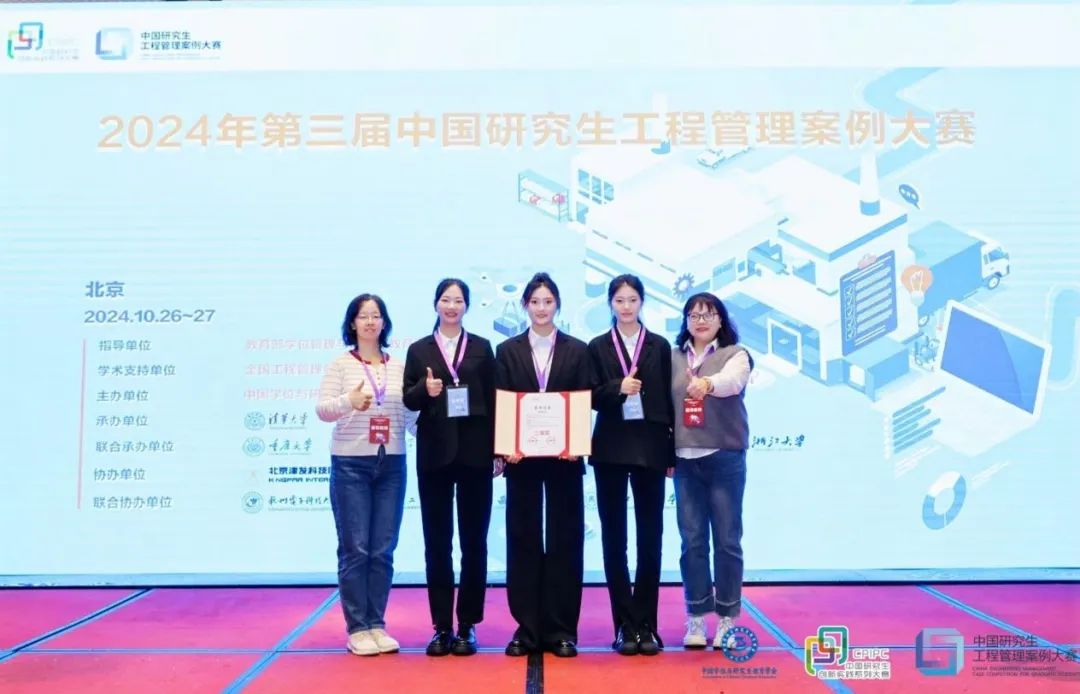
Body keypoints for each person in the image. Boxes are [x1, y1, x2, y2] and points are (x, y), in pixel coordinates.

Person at [495, 272, 592, 658]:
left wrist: (576, 443)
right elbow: (503, 399)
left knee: (566, 539)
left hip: (565, 460)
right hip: (522, 461)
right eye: (534, 301)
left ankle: (563, 629)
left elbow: (582, 398)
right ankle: (527, 628)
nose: (541, 308)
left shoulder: (577, 350)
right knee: (523, 539)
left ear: (558, 305)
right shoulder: (507, 350)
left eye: (547, 301)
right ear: (525, 306)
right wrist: (507, 446)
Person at [402, 278, 499, 657]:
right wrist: (423, 392)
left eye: (458, 300)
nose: (452, 306)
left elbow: (495, 400)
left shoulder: (482, 348)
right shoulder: (418, 350)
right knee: (437, 544)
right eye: (446, 299)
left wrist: (499, 451)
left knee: (474, 543)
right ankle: (441, 626)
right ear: (435, 304)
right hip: (434, 456)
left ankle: (467, 625)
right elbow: (408, 400)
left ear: (467, 306)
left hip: (476, 455)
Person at [316, 293, 410, 657]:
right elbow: (323, 410)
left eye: (376, 316)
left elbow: (410, 418)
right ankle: (357, 627)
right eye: (363, 316)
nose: (370, 322)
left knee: (383, 549)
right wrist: (348, 402)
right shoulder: (341, 365)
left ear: (384, 323)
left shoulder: (398, 366)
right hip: (351, 464)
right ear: (352, 323)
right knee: (356, 549)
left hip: (392, 464)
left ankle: (377, 624)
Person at [587, 274, 674, 656]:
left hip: (651, 447)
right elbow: (589, 396)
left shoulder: (659, 345)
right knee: (614, 538)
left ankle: (647, 624)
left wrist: (670, 453)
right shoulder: (596, 346)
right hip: (610, 446)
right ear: (610, 303)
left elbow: (669, 401)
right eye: (619, 300)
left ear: (642, 302)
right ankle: (623, 623)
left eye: (632, 300)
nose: (626, 306)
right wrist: (616, 389)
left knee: (650, 537)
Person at [670, 292, 753, 651]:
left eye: (708, 314)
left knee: (727, 540)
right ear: (686, 321)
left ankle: (727, 618)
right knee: (692, 542)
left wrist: (706, 384)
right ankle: (696, 616)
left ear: (721, 320)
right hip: (685, 459)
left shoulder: (736, 355)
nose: (700, 321)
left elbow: (732, 382)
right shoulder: (673, 357)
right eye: (694, 315)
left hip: (724, 458)